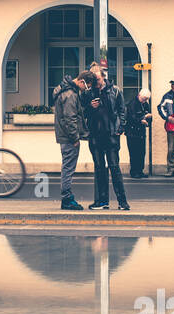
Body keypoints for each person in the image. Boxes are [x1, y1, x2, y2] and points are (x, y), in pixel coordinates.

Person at [84, 64, 129, 211]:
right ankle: (102, 201)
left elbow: (122, 110)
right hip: (95, 136)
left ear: (103, 77)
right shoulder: (88, 93)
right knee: (99, 169)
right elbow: (83, 113)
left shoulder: (115, 91)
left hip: (111, 135)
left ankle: (122, 202)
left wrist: (120, 128)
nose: (95, 82)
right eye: (92, 79)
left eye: (97, 79)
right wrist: (90, 107)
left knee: (114, 168)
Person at [52, 71, 93, 211]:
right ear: (81, 81)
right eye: (86, 86)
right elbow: (70, 118)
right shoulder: (70, 95)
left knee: (67, 167)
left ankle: (67, 197)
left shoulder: (67, 90)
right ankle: (67, 199)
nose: (85, 89)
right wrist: (75, 138)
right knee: (68, 168)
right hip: (69, 138)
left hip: (65, 136)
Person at [125, 88, 151, 179]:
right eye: (144, 99)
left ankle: (140, 170)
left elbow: (148, 117)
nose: (145, 101)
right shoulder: (132, 104)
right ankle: (134, 171)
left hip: (141, 132)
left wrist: (148, 120)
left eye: (146, 99)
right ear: (139, 95)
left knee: (141, 153)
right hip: (132, 133)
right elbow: (131, 118)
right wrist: (142, 119)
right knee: (134, 153)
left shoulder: (146, 104)